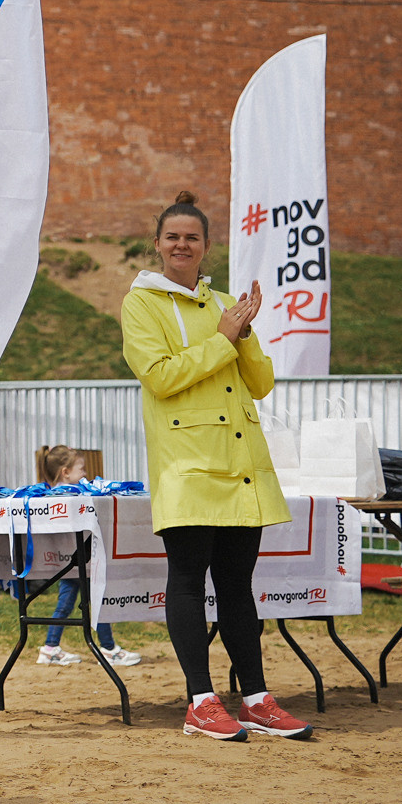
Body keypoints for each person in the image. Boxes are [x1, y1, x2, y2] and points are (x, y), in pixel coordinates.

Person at [121, 190, 312, 741]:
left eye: (193, 237)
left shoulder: (224, 302)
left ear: (206, 246)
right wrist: (225, 336)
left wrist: (244, 334)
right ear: (157, 244)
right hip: (186, 464)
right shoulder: (142, 304)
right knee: (185, 580)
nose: (182, 244)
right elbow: (159, 376)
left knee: (237, 585)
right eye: (173, 236)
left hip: (241, 465)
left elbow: (260, 384)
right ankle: (200, 701)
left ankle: (255, 696)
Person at [29, 446, 139, 667]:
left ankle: (50, 647)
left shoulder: (55, 494)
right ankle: (108, 649)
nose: (86, 474)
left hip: (69, 561)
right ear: (66, 472)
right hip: (81, 560)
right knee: (96, 602)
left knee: (67, 605)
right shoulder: (73, 494)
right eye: (82, 469)